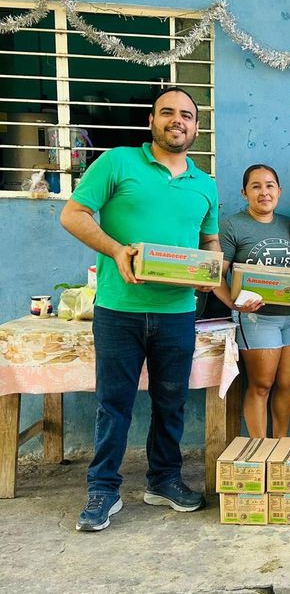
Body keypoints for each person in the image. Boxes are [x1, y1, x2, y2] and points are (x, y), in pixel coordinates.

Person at [60, 87, 219, 531]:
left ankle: (164, 480)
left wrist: (215, 264)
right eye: (167, 112)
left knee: (172, 402)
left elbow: (209, 242)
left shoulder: (204, 185)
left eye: (186, 115)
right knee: (114, 404)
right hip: (119, 309)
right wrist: (116, 251)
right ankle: (103, 489)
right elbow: (73, 215)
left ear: (196, 127)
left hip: (177, 312)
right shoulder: (117, 161)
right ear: (152, 120)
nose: (177, 120)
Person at [213, 164, 290, 438]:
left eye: (269, 185)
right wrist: (234, 304)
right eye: (256, 186)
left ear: (279, 190)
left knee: (289, 382)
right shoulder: (231, 225)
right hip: (255, 319)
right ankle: (260, 448)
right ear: (244, 192)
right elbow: (217, 275)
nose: (264, 192)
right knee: (262, 384)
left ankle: (280, 444)